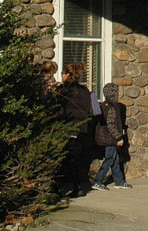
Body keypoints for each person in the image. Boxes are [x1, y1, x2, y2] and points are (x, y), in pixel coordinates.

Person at [56, 62, 95, 197]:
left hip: (67, 127)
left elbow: (59, 109)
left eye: (63, 74)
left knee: (66, 158)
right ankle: (78, 185)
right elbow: (93, 110)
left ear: (67, 75)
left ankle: (67, 186)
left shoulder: (64, 91)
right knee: (78, 159)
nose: (62, 76)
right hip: (82, 128)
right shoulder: (85, 91)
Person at [92, 83, 131, 191]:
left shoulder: (103, 106)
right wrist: (118, 138)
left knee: (115, 158)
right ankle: (98, 180)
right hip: (110, 138)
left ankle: (119, 181)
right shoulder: (113, 108)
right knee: (110, 159)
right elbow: (111, 124)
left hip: (104, 137)